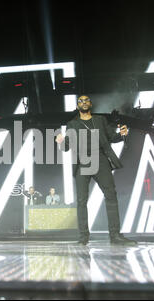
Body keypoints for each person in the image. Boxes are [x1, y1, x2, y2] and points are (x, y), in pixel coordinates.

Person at [55, 95, 136, 245]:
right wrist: (60, 142)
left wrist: (122, 134)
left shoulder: (100, 120)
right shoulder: (72, 124)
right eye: (81, 101)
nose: (84, 102)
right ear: (77, 105)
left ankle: (115, 236)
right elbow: (66, 146)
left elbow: (112, 137)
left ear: (90, 104)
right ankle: (83, 237)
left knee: (111, 195)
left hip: (100, 159)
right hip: (82, 162)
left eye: (86, 100)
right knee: (81, 201)